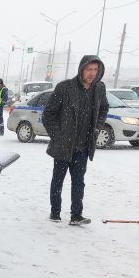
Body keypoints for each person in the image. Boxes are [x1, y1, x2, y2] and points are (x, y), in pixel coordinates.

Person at [43, 55, 108, 225]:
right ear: (81, 69)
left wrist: (97, 127)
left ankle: (76, 215)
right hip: (64, 145)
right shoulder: (65, 87)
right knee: (58, 180)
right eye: (89, 69)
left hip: (83, 145)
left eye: (95, 70)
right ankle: (55, 212)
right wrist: (58, 137)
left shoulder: (99, 88)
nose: (92, 73)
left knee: (79, 182)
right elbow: (48, 115)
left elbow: (104, 109)